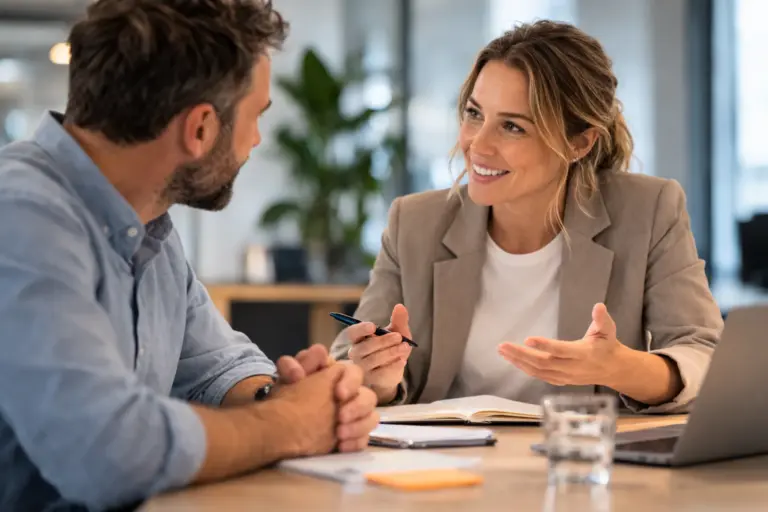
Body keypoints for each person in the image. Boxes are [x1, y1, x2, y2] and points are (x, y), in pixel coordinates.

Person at [0, 1, 379, 510]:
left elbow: (218, 367)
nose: (257, 140)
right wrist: (289, 424)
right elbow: (106, 452)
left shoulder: (147, 225)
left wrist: (297, 397)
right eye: (256, 116)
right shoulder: (21, 217)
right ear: (200, 129)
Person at [331, 20, 723, 413]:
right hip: (447, 463)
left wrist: (621, 368)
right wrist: (378, 380)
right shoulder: (415, 222)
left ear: (579, 143)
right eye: (474, 114)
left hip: (581, 459)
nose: (477, 144)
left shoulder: (648, 210)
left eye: (513, 127)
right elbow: (349, 361)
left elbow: (705, 356)